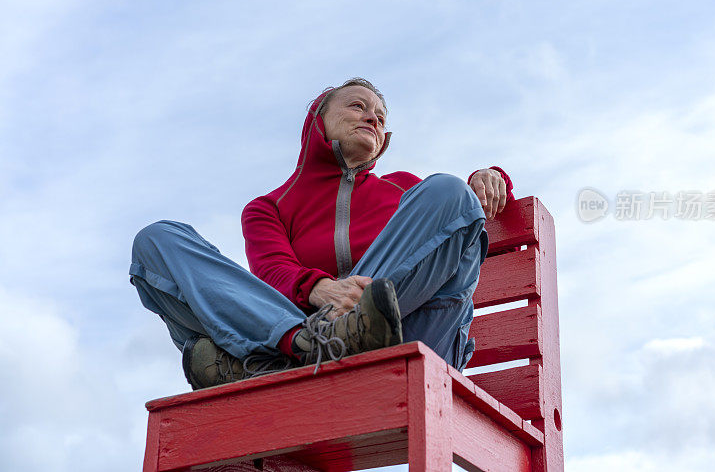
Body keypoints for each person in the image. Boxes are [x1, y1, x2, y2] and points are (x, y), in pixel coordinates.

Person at [130, 78, 514, 390]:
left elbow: (451, 218)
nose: (374, 119)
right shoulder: (269, 208)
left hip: (410, 342)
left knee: (449, 191)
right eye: (358, 106)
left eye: (381, 117)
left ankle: (298, 345)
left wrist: (487, 180)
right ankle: (305, 341)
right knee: (157, 241)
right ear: (318, 119)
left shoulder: (404, 190)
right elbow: (274, 271)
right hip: (303, 345)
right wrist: (316, 288)